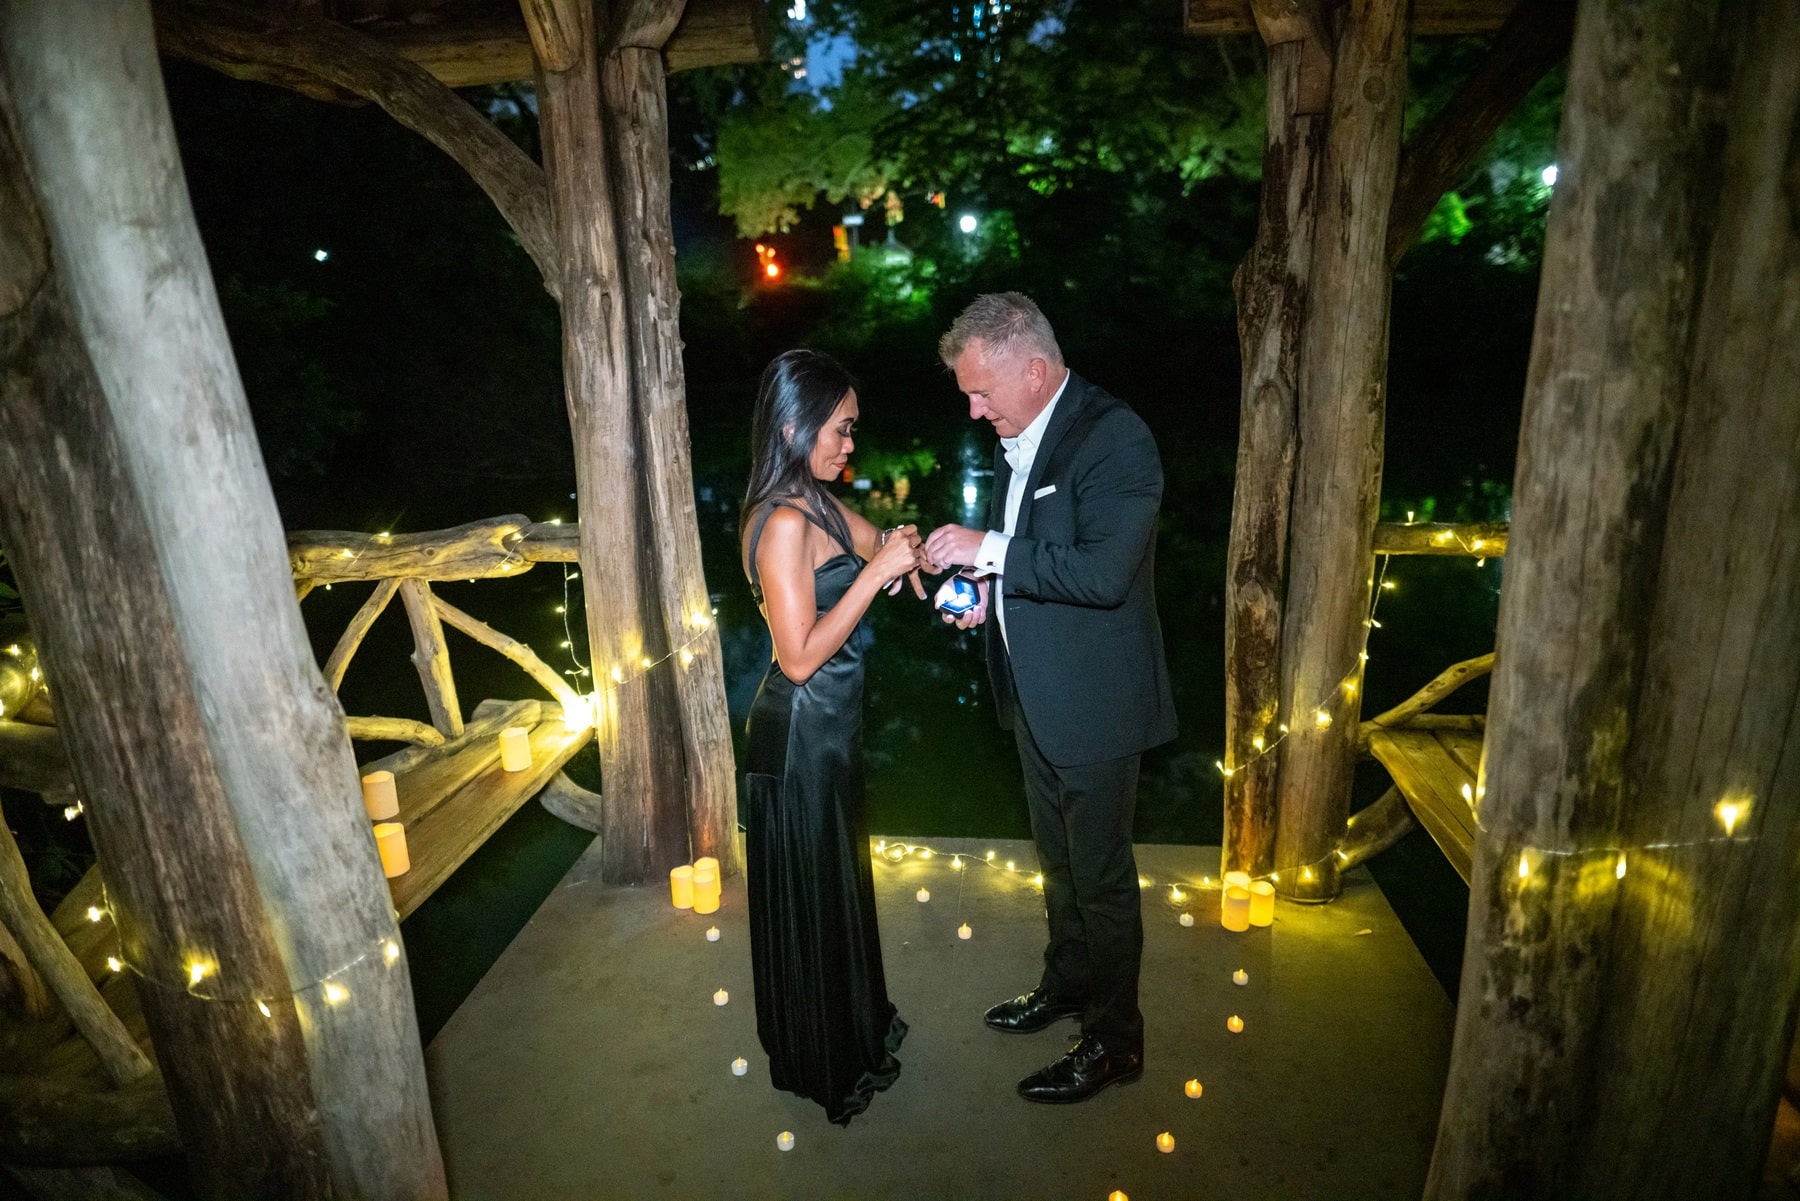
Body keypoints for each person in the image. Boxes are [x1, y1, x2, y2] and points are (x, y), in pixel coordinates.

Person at [924, 292, 1176, 1104]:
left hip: (1095, 703)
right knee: (1059, 864)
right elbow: (1040, 561)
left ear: (1034, 371)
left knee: (1099, 876)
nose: (973, 409)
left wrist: (987, 546)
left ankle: (1114, 1042)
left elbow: (1104, 575)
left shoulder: (1116, 437)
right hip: (1034, 696)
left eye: (982, 392)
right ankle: (1065, 986)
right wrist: (985, 595)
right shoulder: (1020, 434)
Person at [739, 348, 928, 1125]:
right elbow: (799, 653)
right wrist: (874, 572)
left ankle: (849, 1024)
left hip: (833, 733)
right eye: (842, 430)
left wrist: (906, 553)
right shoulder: (783, 523)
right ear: (796, 425)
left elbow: (878, 539)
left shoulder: (815, 500)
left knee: (835, 888)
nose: (852, 444)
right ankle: (821, 1056)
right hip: (799, 739)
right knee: (813, 899)